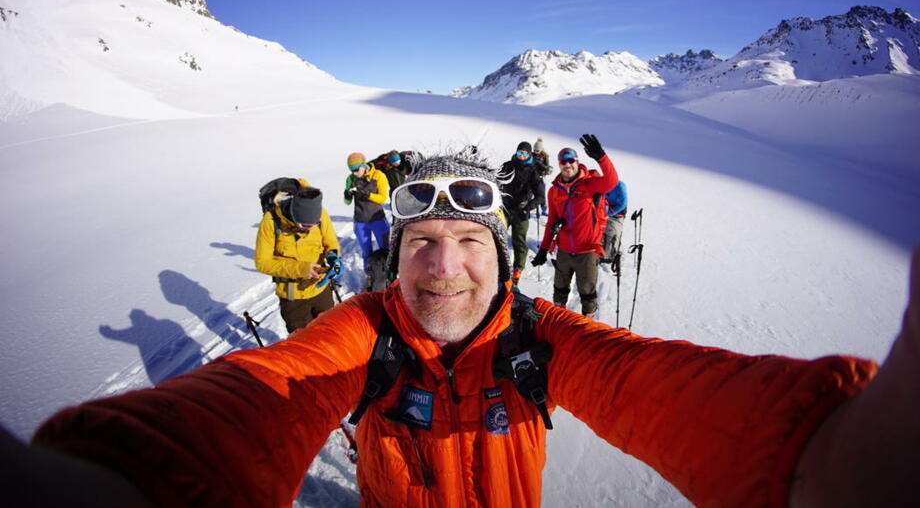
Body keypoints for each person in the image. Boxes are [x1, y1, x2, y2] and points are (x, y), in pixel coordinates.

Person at [18, 144, 920, 508]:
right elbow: (267, 390)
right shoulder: (360, 334)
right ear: (391, 259)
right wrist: (125, 474)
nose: (443, 266)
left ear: (506, 261)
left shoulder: (542, 339)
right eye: (420, 243)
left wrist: (818, 455)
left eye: (467, 242)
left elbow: (650, 382)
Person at [532, 135, 617, 317]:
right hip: (563, 251)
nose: (567, 164)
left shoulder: (590, 185)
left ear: (577, 163)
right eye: (563, 161)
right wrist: (543, 249)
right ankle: (559, 321)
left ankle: (587, 324)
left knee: (587, 293)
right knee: (559, 290)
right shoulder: (554, 191)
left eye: (571, 160)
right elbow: (552, 222)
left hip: (586, 251)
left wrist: (601, 157)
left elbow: (611, 181)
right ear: (559, 164)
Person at [254, 182, 340, 334]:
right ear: (294, 215)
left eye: (314, 224)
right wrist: (300, 269)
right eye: (305, 226)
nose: (311, 228)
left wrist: (334, 256)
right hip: (293, 295)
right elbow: (262, 262)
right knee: (303, 340)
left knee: (330, 330)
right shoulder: (270, 221)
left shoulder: (320, 213)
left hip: (321, 288)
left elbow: (330, 241)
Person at [499, 141, 546, 289]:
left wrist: (528, 208)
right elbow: (496, 181)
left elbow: (540, 196)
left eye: (524, 153)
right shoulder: (508, 165)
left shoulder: (533, 171)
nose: (521, 156)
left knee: (519, 241)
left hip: (521, 210)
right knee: (497, 237)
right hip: (505, 208)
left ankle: (517, 272)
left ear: (529, 154)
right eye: (519, 153)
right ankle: (498, 268)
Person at [344, 152, 390, 277]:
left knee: (386, 249)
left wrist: (367, 195)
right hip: (360, 221)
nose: (354, 173)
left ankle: (389, 274)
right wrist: (347, 195)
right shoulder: (351, 179)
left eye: (356, 169)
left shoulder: (378, 175)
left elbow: (383, 199)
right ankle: (369, 276)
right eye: (351, 170)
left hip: (377, 219)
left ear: (364, 165)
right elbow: (347, 202)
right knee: (366, 252)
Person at [599, 180, 628, 272]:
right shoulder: (602, 184)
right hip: (604, 212)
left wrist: (610, 213)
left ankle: (610, 254)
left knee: (612, 233)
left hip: (617, 214)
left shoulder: (620, 186)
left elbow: (623, 204)